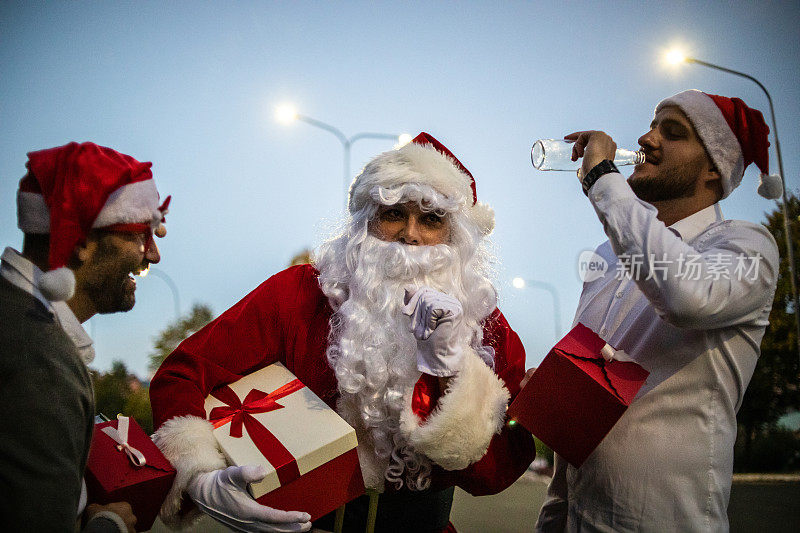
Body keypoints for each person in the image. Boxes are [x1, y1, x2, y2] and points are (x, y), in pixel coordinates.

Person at [149, 132, 535, 532]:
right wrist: (199, 475)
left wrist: (454, 371)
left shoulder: (488, 328)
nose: (411, 234)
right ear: (367, 221)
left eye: (431, 219)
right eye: (393, 213)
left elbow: (496, 470)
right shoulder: (298, 294)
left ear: (455, 234)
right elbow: (184, 373)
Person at [535, 90, 781, 532]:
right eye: (652, 126)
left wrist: (603, 179)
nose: (647, 139)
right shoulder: (607, 257)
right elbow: (578, 407)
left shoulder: (745, 245)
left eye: (673, 132)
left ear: (714, 168)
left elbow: (688, 296)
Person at [0, 142, 170, 532]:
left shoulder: (19, 319)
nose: (154, 255)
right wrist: (107, 526)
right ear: (80, 240)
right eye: (143, 235)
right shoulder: (41, 358)